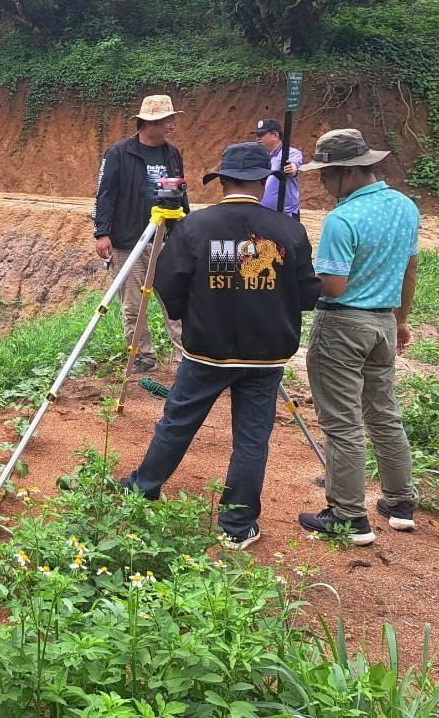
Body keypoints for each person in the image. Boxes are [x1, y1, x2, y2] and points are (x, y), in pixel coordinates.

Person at [120, 142, 321, 549]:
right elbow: (306, 295)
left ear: (223, 181)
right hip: (267, 355)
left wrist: (191, 315)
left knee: (178, 421)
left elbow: (167, 283)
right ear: (263, 182)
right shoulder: (289, 230)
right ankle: (238, 524)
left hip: (206, 350)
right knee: (252, 438)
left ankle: (144, 488)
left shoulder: (196, 227)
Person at [297, 128, 420, 546]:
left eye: (325, 173)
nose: (322, 181)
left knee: (342, 421)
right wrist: (401, 321)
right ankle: (400, 503)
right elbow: (410, 270)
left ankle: (348, 515)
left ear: (347, 172)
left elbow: (332, 286)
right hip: (384, 323)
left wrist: (296, 281)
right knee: (384, 413)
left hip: (342, 326)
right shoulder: (404, 207)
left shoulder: (343, 218)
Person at [94, 94, 190, 373]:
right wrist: (102, 233)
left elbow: (180, 193)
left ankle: (187, 356)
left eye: (172, 120)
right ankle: (143, 356)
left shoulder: (172, 153)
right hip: (128, 241)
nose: (172, 125)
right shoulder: (118, 153)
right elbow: (105, 195)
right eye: (167, 120)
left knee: (176, 300)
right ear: (149, 123)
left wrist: (186, 228)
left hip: (167, 240)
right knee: (133, 306)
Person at [252, 118, 303, 218]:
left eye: (261, 135)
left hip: (285, 216)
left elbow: (293, 166)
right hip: (263, 214)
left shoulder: (290, 153)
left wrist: (292, 169)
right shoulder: (259, 156)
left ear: (275, 135)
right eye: (257, 135)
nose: (257, 138)